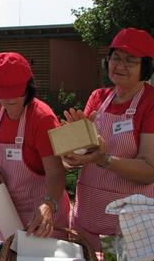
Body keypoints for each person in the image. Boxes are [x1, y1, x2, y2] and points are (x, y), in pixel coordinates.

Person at [63, 27, 154, 255]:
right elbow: (78, 159)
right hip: (87, 217)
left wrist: (104, 158)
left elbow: (149, 169)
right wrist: (73, 145)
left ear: (145, 66)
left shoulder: (150, 102)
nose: (119, 65)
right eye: (115, 58)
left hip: (131, 226)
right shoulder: (98, 97)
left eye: (130, 60)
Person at [0, 52, 70, 240]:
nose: (8, 99)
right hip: (7, 211)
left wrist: (48, 204)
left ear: (28, 87)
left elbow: (56, 172)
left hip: (42, 211)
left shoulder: (42, 117)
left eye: (15, 92)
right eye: (2, 94)